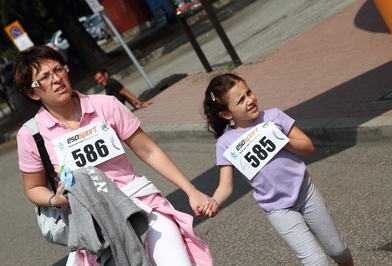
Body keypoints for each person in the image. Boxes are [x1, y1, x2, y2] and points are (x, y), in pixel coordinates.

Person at [13, 45, 213, 266]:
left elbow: (148, 150)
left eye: (58, 70)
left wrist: (191, 191)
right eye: (44, 77)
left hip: (140, 202)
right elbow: (33, 188)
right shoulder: (31, 135)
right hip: (94, 224)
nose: (56, 79)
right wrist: (56, 199)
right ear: (31, 92)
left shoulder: (105, 105)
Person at [200, 73, 354, 266]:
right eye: (240, 100)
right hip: (278, 209)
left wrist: (280, 140)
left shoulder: (274, 116)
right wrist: (214, 202)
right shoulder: (225, 144)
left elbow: (308, 147)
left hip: (306, 193)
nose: (250, 100)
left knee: (338, 250)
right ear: (226, 114)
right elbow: (226, 186)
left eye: (249, 92)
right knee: (316, 261)